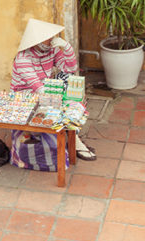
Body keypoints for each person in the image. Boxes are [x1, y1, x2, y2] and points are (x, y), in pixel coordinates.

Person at [11, 18, 96, 161]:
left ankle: (72, 135)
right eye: (46, 38)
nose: (51, 40)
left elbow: (70, 69)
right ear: (36, 41)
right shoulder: (23, 59)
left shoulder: (52, 51)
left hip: (46, 89)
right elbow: (38, 88)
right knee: (65, 103)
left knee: (72, 86)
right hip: (27, 95)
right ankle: (73, 139)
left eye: (52, 37)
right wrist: (62, 100)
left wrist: (66, 47)